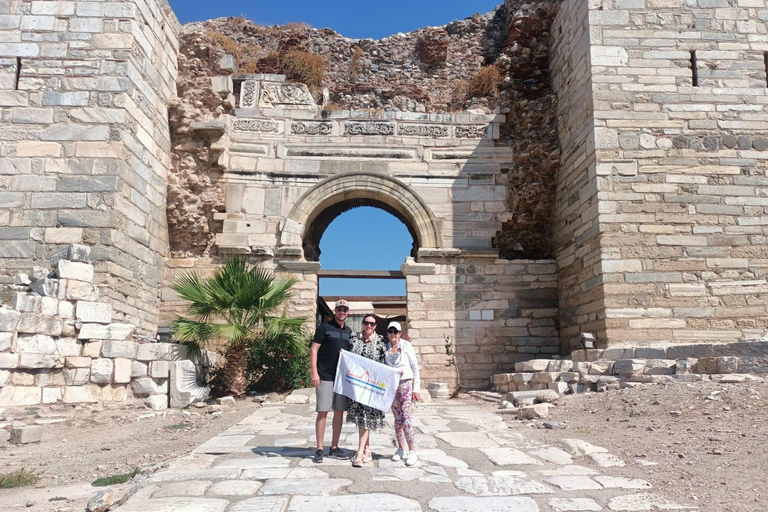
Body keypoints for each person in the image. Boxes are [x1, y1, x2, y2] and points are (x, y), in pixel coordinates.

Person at [310, 299, 352, 463]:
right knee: (323, 411)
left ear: (348, 312)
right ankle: (319, 448)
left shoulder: (349, 331)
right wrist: (314, 372)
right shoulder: (324, 327)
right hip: (325, 376)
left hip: (342, 379)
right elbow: (314, 349)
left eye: (345, 310)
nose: (342, 312)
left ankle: (334, 447)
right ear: (335, 311)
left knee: (339, 412)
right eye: (340, 309)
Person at [346, 313, 387, 467]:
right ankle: (368, 448)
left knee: (366, 417)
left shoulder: (381, 341)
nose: (368, 326)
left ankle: (360, 451)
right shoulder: (354, 338)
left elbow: (386, 362)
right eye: (366, 323)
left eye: (372, 324)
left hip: (373, 387)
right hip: (357, 386)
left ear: (375, 326)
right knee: (361, 418)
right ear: (363, 324)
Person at [384, 321, 420, 466]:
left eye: (395, 331)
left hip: (405, 383)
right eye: (390, 331)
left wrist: (416, 388)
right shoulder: (386, 348)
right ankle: (401, 448)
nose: (393, 334)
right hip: (393, 385)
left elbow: (414, 367)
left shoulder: (406, 346)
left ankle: (412, 451)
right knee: (397, 418)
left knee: (406, 416)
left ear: (400, 333)